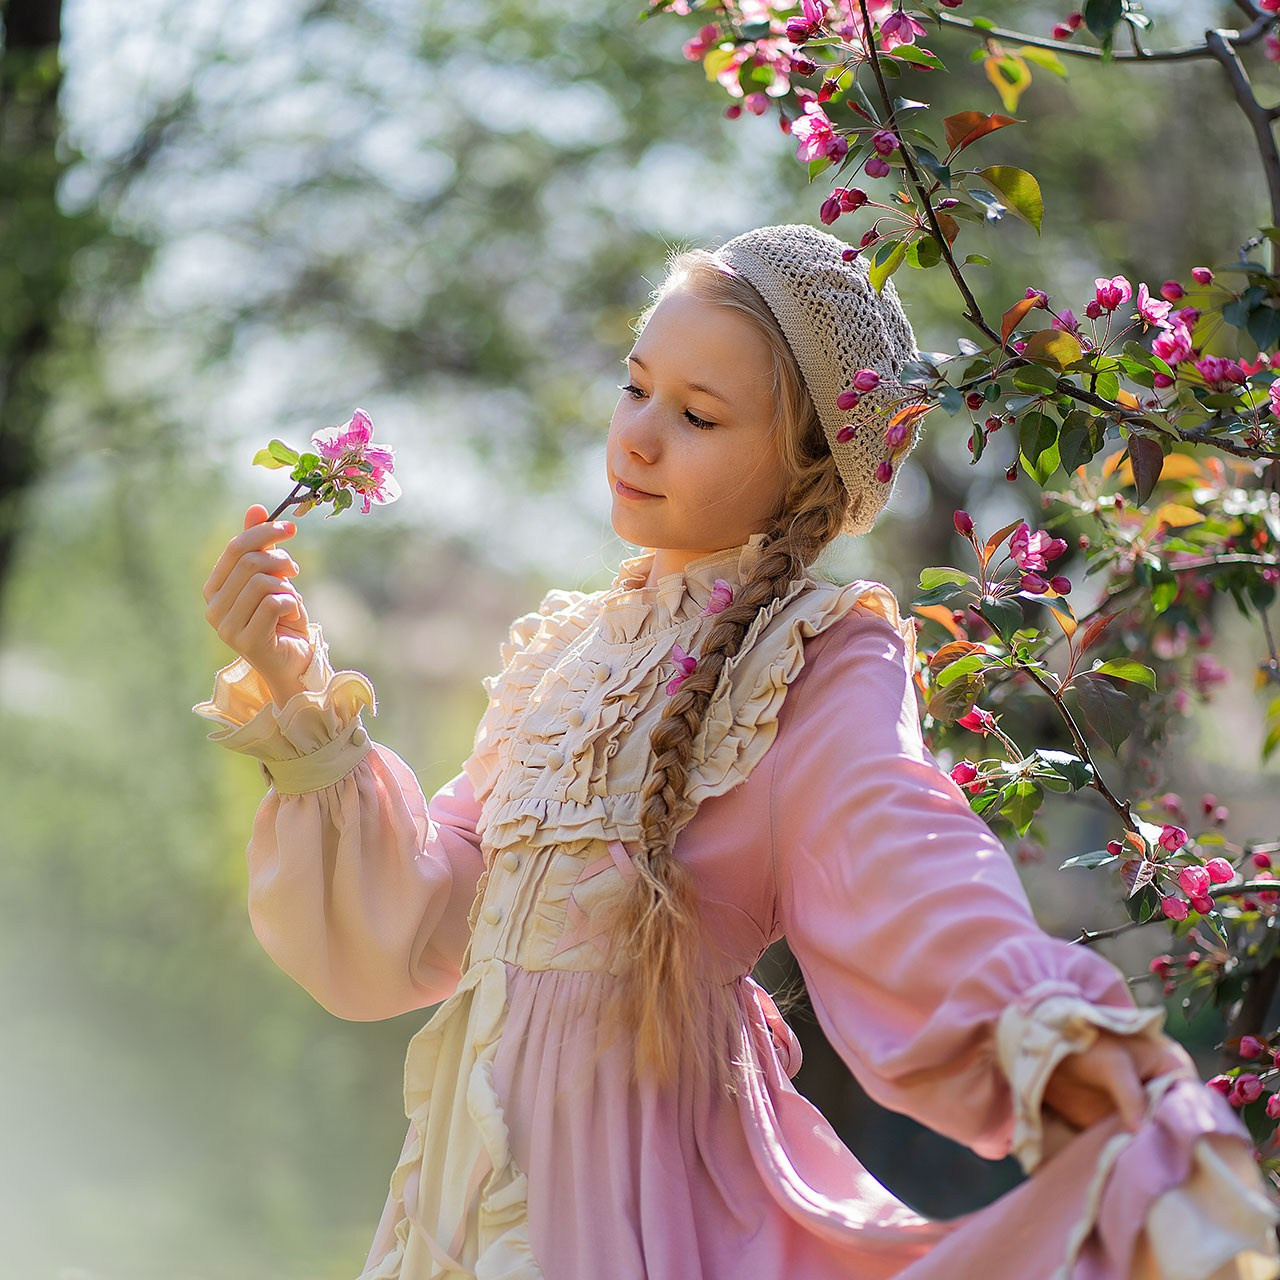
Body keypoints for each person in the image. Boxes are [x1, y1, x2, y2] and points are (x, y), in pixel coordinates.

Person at [195, 224, 1280, 1280]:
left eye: (699, 414)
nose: (636, 434)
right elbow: (429, 914)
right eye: (634, 386)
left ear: (808, 465)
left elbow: (900, 861)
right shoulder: (563, 653)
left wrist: (1066, 1041)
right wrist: (298, 694)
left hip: (633, 1201)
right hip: (457, 1190)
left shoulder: (816, 652)